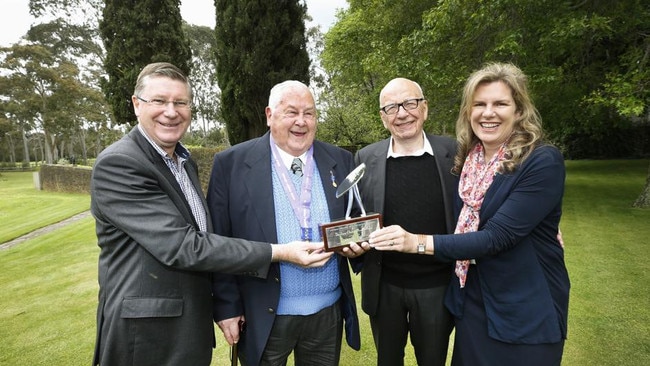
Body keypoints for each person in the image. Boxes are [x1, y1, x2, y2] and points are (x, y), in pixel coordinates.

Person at [90, 63, 331, 366]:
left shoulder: (181, 161)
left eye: (180, 102)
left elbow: (210, 235)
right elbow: (185, 245)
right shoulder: (120, 163)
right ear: (137, 105)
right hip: (148, 334)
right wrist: (280, 252)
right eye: (159, 101)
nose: (171, 111)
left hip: (186, 325)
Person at [369, 62, 570, 365]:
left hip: (523, 306)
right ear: (469, 112)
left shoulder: (541, 160)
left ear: (519, 111)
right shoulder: (468, 159)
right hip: (472, 298)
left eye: (500, 103)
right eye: (479, 104)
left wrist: (416, 243)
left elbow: (497, 236)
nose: (488, 113)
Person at [207, 80, 361, 366]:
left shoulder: (341, 160)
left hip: (327, 311)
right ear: (269, 115)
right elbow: (218, 240)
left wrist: (357, 246)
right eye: (291, 112)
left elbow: (353, 219)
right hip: (262, 312)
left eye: (309, 113)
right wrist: (227, 306)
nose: (301, 122)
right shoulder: (231, 165)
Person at [345, 78, 456, 366]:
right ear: (383, 118)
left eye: (410, 103)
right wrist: (353, 246)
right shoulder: (365, 158)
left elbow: (482, 199)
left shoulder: (455, 153)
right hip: (384, 286)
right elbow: (355, 215)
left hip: (437, 286)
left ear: (425, 108)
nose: (402, 113)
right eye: (392, 107)